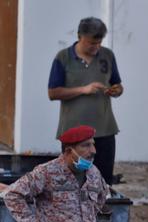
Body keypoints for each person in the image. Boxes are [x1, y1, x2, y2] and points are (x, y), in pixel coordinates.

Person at [47, 17, 123, 186]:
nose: (96, 47)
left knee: (103, 182)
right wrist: (83, 89)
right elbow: (52, 93)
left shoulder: (108, 55)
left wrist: (117, 90)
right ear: (79, 36)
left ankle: (101, 211)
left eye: (99, 43)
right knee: (74, 181)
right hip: (73, 133)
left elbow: (117, 83)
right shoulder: (63, 58)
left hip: (104, 130)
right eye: (91, 43)